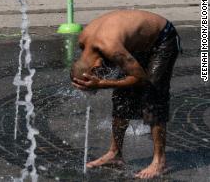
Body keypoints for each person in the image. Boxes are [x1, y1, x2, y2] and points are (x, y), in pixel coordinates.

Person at [71, 10, 180, 179]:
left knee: (153, 95)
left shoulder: (111, 48)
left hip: (162, 39)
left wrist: (102, 83)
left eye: (97, 77)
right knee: (121, 95)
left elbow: (140, 79)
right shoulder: (84, 41)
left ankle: (159, 161)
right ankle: (115, 153)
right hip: (136, 44)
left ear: (95, 69)